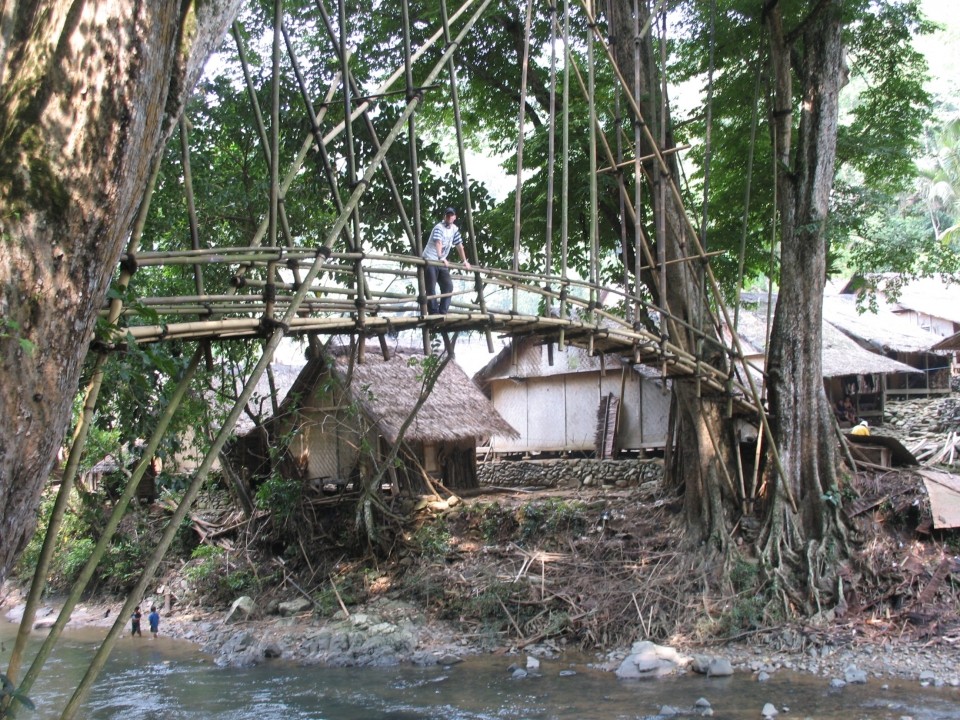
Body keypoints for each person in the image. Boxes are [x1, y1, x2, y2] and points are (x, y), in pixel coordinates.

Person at [422, 207, 470, 315]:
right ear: (444, 217)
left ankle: (443, 312)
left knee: (448, 286)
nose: (449, 217)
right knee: (431, 287)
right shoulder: (439, 227)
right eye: (447, 215)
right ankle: (434, 312)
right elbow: (438, 242)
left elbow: (459, 246)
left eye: (451, 215)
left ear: (454, 217)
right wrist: (441, 257)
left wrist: (464, 261)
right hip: (430, 259)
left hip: (441, 261)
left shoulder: (454, 230)